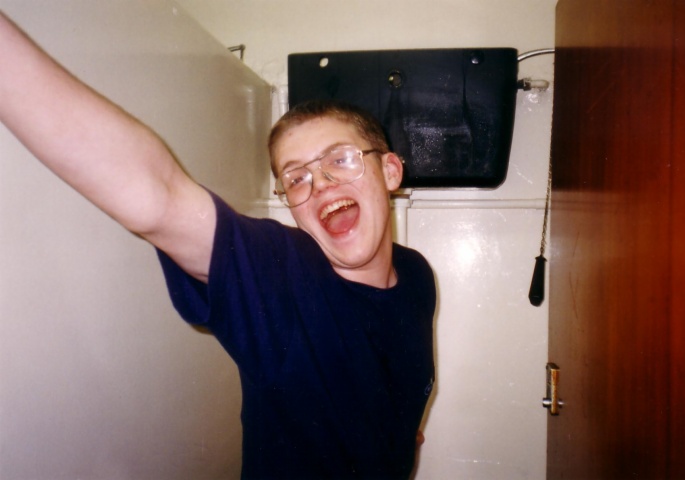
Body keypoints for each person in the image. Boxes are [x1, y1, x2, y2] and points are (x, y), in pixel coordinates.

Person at [0, 11, 435, 480]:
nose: (321, 183)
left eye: (341, 159)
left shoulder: (415, 274)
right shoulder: (282, 276)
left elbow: (397, 401)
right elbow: (159, 197)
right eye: (296, 178)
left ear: (390, 171)